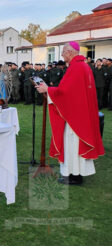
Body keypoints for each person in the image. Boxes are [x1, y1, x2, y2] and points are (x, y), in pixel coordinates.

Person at [35, 41, 104, 185]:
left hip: (75, 117)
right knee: (75, 145)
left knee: (72, 144)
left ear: (71, 52)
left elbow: (65, 93)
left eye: (64, 51)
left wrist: (47, 89)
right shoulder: (83, 66)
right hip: (80, 113)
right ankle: (76, 174)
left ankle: (75, 176)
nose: (62, 54)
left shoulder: (76, 68)